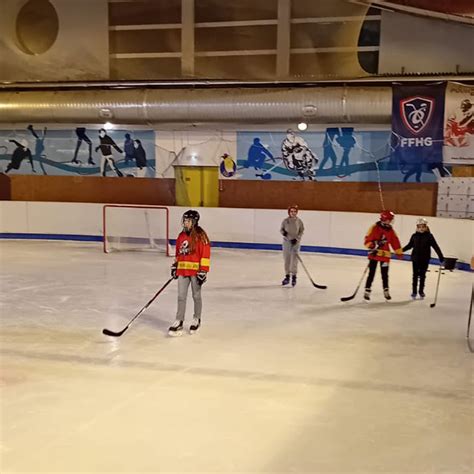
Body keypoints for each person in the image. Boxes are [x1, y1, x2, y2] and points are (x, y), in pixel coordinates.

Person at [168, 210, 211, 336]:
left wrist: (203, 271)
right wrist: (175, 266)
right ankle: (179, 320)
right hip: (183, 271)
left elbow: (205, 254)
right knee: (181, 297)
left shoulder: (201, 236)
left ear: (194, 222)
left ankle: (196, 318)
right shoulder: (181, 236)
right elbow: (178, 253)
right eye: (185, 220)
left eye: (188, 221)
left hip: (196, 272)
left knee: (196, 296)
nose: (185, 223)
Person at [363, 210, 403, 301]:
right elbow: (367, 241)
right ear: (385, 219)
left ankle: (386, 290)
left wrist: (399, 253)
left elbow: (395, 241)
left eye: (391, 220)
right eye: (389, 219)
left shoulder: (390, 230)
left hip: (385, 256)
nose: (391, 221)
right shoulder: (374, 228)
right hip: (374, 254)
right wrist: (373, 245)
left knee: (385, 274)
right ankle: (367, 290)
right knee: (371, 273)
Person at [402, 218, 444, 299]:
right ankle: (414, 291)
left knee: (422, 275)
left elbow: (435, 246)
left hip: (425, 259)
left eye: (423, 226)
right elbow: (410, 245)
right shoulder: (414, 236)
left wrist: (440, 256)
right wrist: (400, 250)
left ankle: (421, 291)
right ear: (417, 227)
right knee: (415, 275)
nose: (421, 228)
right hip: (415, 258)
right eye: (419, 226)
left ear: (426, 227)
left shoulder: (429, 236)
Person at [280, 204, 304, 287]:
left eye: (295, 211)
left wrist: (297, 239)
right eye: (291, 211)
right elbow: (281, 229)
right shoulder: (285, 221)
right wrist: (284, 233)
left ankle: (294, 276)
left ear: (297, 212)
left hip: (295, 243)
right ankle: (287, 276)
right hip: (287, 243)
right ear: (289, 212)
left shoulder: (299, 221)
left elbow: (301, 231)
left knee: (294, 260)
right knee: (287, 259)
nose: (293, 213)